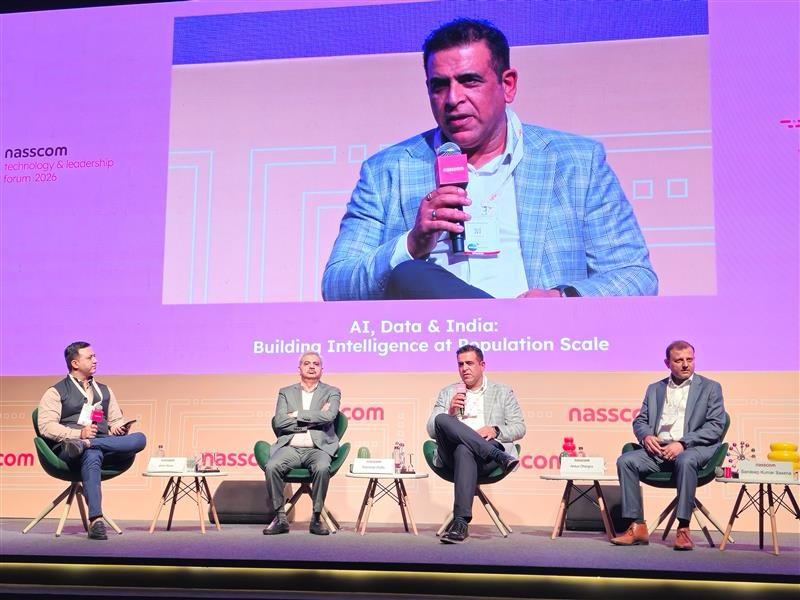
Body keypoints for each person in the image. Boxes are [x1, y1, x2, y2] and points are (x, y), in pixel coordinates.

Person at [322, 18, 657, 301]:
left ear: (507, 85)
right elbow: (337, 285)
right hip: (429, 343)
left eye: (469, 81)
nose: (453, 99)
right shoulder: (387, 171)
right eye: (439, 86)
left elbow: (635, 276)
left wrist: (561, 298)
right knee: (412, 274)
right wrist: (412, 243)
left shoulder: (576, 163)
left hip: (542, 342)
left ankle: (502, 322)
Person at [611, 340, 725, 550]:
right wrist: (646, 436)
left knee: (686, 459)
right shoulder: (655, 389)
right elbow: (640, 420)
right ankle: (637, 526)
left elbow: (716, 426)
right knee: (626, 461)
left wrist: (683, 443)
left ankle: (683, 528)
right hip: (659, 450)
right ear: (667, 363)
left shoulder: (710, 388)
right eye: (679, 360)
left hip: (692, 448)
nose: (685, 364)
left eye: (690, 359)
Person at [37, 341, 147, 540]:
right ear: (75, 363)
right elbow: (46, 426)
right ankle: (96, 520)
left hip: (102, 443)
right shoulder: (56, 392)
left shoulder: (105, 390)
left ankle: (90, 444)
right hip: (70, 449)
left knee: (140, 439)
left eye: (94, 356)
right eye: (90, 357)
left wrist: (118, 428)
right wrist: (79, 435)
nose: (96, 360)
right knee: (91, 453)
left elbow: (115, 420)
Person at [426, 344, 525, 543]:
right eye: (460, 364)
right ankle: (498, 455)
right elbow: (431, 429)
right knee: (442, 419)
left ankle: (460, 523)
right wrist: (451, 411)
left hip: (485, 459)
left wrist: (495, 430)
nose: (464, 368)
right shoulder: (448, 392)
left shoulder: (503, 392)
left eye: (469, 363)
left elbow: (519, 427)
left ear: (482, 365)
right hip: (454, 456)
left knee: (464, 450)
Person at [263, 352, 341, 536]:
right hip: (290, 447)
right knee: (272, 466)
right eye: (307, 363)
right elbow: (280, 422)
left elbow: (329, 416)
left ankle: (316, 518)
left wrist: (296, 415)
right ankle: (281, 518)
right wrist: (314, 419)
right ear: (299, 368)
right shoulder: (285, 392)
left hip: (318, 448)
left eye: (316, 364)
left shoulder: (332, 391)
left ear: (322, 369)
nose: (311, 366)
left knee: (322, 468)